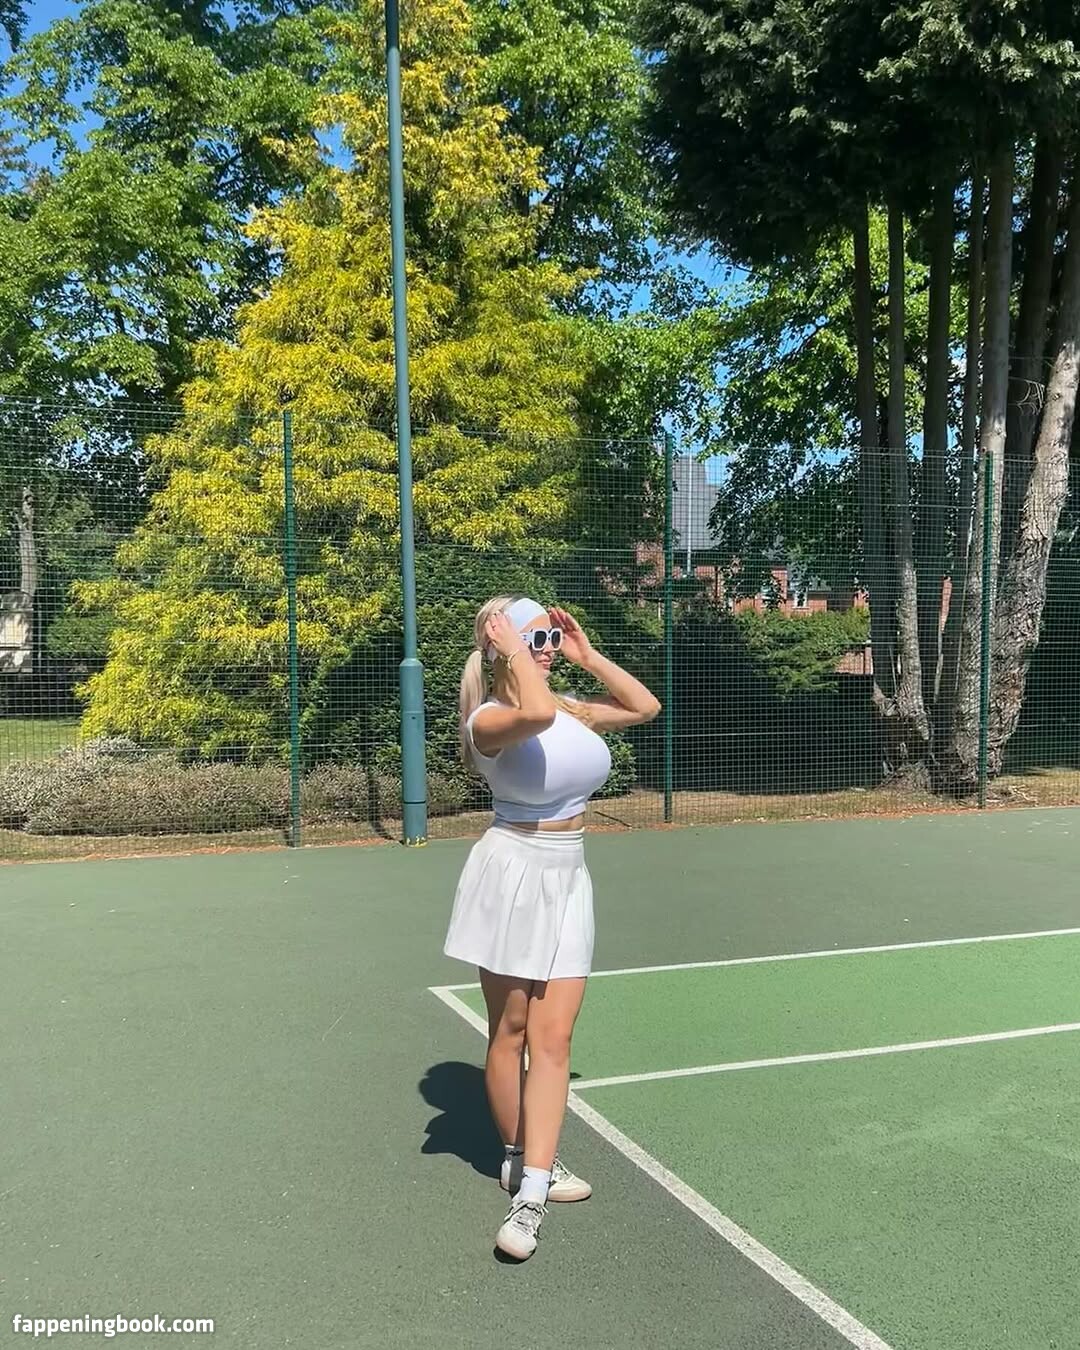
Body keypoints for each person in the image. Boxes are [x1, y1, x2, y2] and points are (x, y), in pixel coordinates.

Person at [444, 595, 661, 1260]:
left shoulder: (565, 704)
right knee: (510, 1030)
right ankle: (518, 1157)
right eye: (535, 638)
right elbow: (534, 713)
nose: (547, 648)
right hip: (513, 872)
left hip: (569, 875)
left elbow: (644, 707)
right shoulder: (489, 719)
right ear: (502, 645)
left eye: (550, 638)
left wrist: (586, 655)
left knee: (554, 1037)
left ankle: (533, 1191)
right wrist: (512, 651)